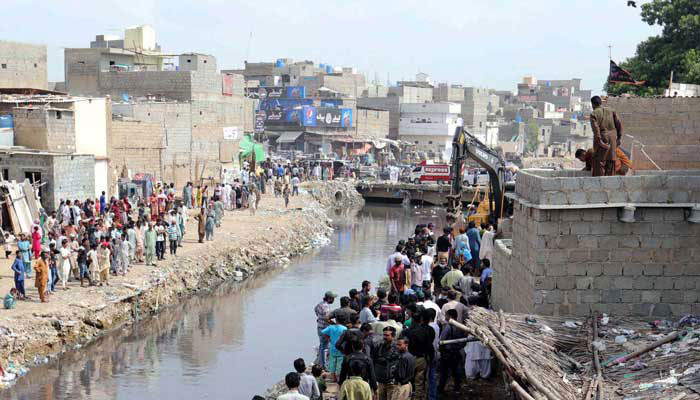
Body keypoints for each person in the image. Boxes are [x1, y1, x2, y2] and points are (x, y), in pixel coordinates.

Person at [590, 95, 623, 177]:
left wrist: (600, 142)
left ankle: (600, 183)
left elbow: (596, 129)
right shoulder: (611, 110)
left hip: (602, 139)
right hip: (613, 139)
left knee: (599, 162)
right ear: (601, 102)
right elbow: (619, 124)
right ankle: (609, 182)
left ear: (593, 104)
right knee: (611, 161)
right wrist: (619, 138)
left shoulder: (594, 113)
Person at [438, 309, 466, 394]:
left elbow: (442, 340)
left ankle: (441, 389)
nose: (445, 317)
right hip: (456, 352)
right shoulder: (461, 327)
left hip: (447, 353)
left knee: (444, 373)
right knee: (456, 371)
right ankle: (457, 388)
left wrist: (441, 350)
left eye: (446, 315)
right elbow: (464, 340)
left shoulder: (448, 327)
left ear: (450, 316)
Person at [372, 326, 400, 400]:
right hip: (380, 381)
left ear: (393, 336)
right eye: (384, 335)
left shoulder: (397, 348)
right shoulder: (379, 346)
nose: (384, 337)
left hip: (391, 382)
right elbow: (374, 360)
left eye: (387, 335)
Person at [321, 315, 348, 382]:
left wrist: (328, 338)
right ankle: (339, 379)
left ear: (336, 320)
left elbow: (323, 332)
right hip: (341, 349)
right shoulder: (344, 328)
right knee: (339, 365)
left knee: (332, 364)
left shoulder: (331, 327)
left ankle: (334, 378)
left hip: (333, 348)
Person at [315, 291, 336, 370]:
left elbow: (315, 310)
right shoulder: (326, 307)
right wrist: (335, 324)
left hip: (319, 327)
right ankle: (323, 366)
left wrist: (320, 318)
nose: (333, 300)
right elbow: (327, 319)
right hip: (325, 329)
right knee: (325, 347)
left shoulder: (320, 304)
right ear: (329, 299)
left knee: (321, 345)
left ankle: (320, 363)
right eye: (333, 298)